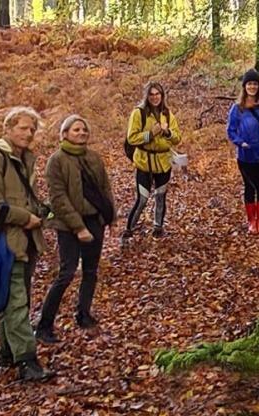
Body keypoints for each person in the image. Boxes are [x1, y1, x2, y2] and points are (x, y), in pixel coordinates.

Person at [0, 106, 52, 381]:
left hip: (26, 240)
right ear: (8, 128)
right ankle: (27, 361)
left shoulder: (23, 159)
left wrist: (43, 212)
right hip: (4, 240)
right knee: (17, 300)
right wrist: (25, 217)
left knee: (14, 297)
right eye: (22, 128)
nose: (28, 133)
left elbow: (26, 198)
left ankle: (8, 352)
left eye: (32, 129)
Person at [35, 115, 116, 345]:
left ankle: (84, 314)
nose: (81, 133)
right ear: (65, 134)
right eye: (76, 129)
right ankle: (44, 325)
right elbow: (58, 198)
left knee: (91, 271)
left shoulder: (93, 157)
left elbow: (104, 188)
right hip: (68, 225)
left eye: (84, 130)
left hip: (94, 220)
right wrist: (78, 227)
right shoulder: (56, 161)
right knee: (67, 273)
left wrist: (110, 216)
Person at [121, 81, 181, 244]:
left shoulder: (167, 114)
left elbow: (177, 138)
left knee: (160, 196)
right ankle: (128, 231)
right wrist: (150, 134)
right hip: (144, 162)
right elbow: (132, 138)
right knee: (142, 199)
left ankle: (158, 228)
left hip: (163, 162)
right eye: (151, 94)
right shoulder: (138, 113)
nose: (155, 97)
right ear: (146, 96)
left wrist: (167, 132)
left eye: (157, 94)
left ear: (162, 96)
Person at [227, 69, 259, 233]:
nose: (252, 87)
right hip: (246, 154)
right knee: (249, 186)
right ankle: (251, 221)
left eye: (255, 84)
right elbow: (231, 130)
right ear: (244, 86)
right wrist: (240, 142)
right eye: (249, 84)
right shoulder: (237, 108)